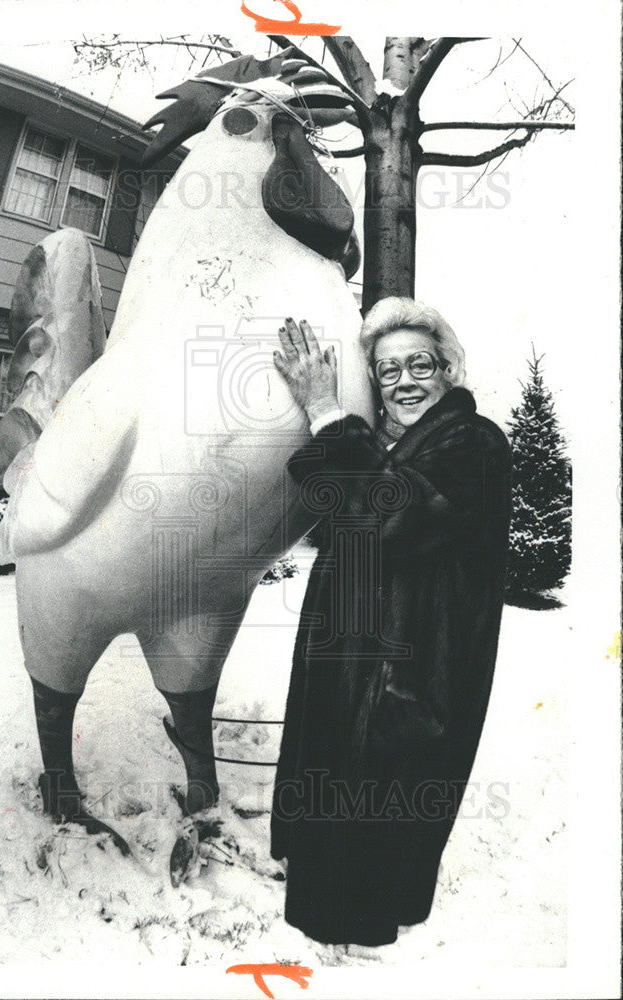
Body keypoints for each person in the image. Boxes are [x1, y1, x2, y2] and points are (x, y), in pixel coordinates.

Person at [270, 298, 512, 947]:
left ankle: (350, 950)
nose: (403, 381)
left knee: (369, 846)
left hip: (402, 684)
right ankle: (335, 940)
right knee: (339, 836)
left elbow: (393, 519)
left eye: (418, 365)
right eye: (387, 371)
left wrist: (325, 411)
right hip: (353, 673)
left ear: (448, 371)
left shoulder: (475, 443)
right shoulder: (393, 448)